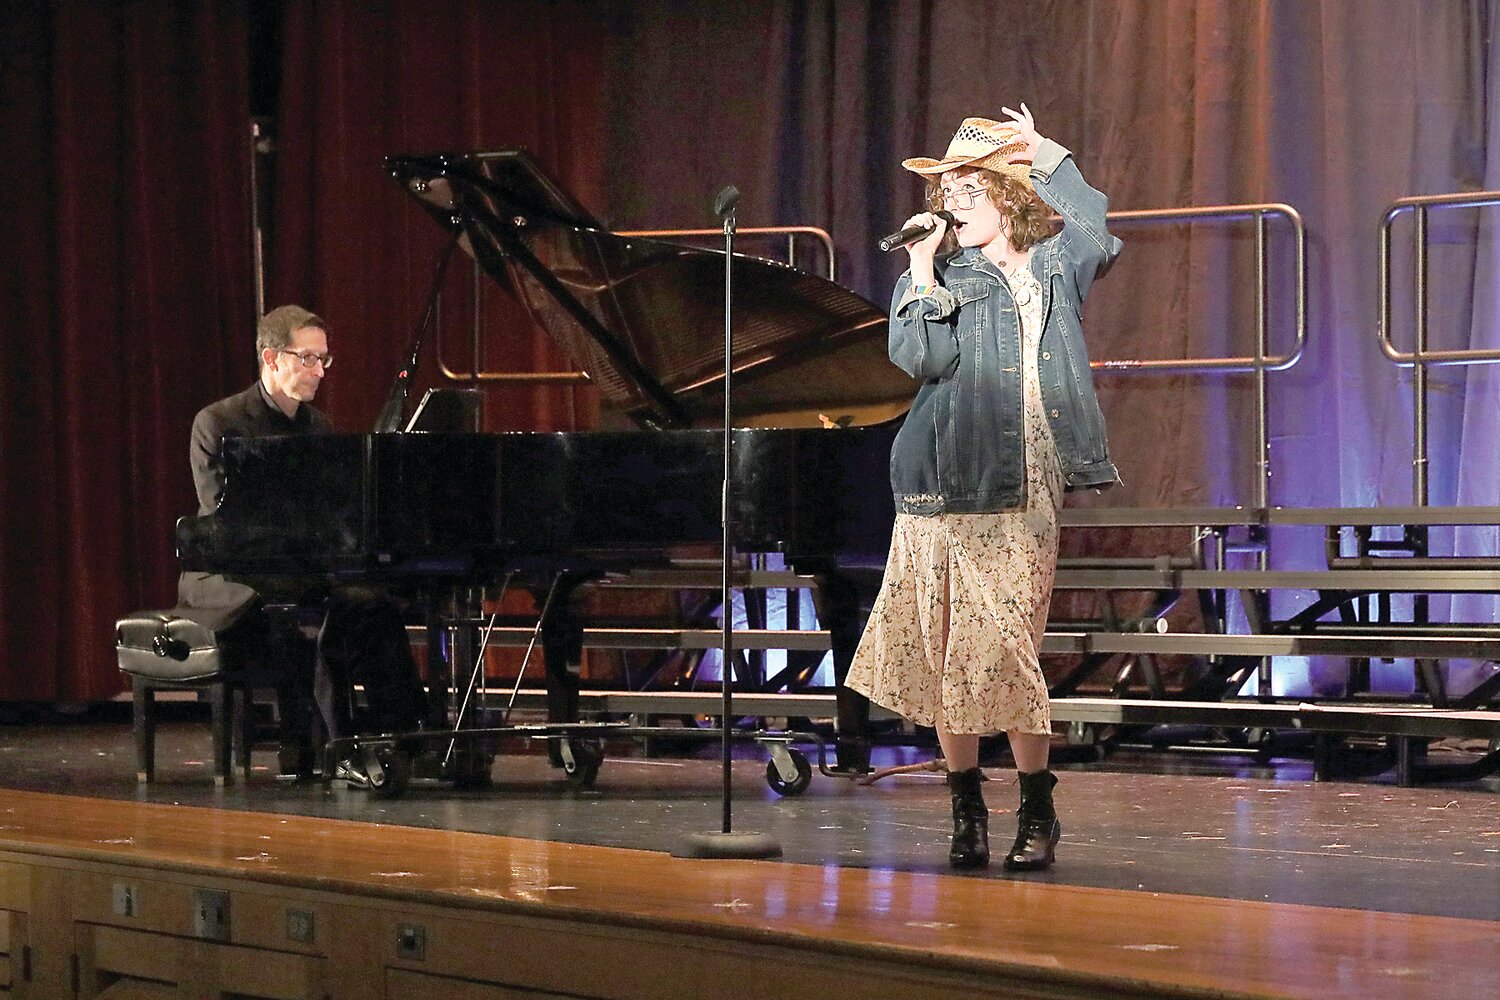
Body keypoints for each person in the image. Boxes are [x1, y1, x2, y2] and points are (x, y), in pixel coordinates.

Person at [846, 106, 1121, 870]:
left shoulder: (1058, 263)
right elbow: (919, 361)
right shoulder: (947, 274)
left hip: (1026, 480)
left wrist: (1044, 150)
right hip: (942, 483)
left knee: (1005, 647)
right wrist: (922, 270)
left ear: (1010, 193)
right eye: (948, 189)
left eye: (970, 187)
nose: (953, 201)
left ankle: (1038, 804)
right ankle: (965, 807)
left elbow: (1095, 225)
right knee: (948, 655)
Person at [179, 305, 428, 776]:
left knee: (375, 608)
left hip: (296, 570)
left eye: (324, 360)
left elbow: (333, 511)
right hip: (226, 574)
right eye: (308, 358)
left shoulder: (319, 427)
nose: (319, 371)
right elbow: (220, 519)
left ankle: (404, 737)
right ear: (272, 358)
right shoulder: (217, 422)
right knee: (310, 612)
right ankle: (337, 747)